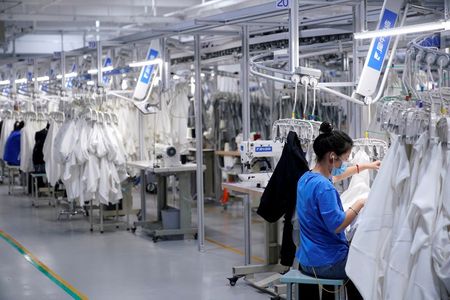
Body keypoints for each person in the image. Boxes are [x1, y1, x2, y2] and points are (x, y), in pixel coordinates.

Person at [296, 122, 379, 299]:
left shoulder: (306, 178)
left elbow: (338, 175)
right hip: (326, 264)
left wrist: (368, 166)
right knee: (366, 267)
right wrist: (361, 203)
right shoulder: (324, 188)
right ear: (332, 157)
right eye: (344, 158)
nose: (345, 163)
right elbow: (338, 225)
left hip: (306, 260)